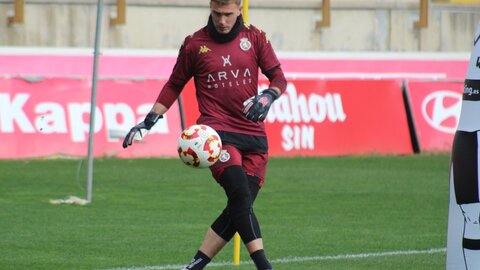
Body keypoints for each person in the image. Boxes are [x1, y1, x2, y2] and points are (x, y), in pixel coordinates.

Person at [122, 0, 286, 269]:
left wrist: (268, 96)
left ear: (239, 10)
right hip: (217, 135)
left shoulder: (255, 38)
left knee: (238, 208)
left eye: (228, 15)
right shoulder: (195, 44)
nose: (222, 21)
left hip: (255, 137)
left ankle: (195, 265)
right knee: (241, 199)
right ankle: (264, 266)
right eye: (217, 14)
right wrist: (149, 120)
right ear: (210, 8)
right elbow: (174, 84)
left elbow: (279, 78)